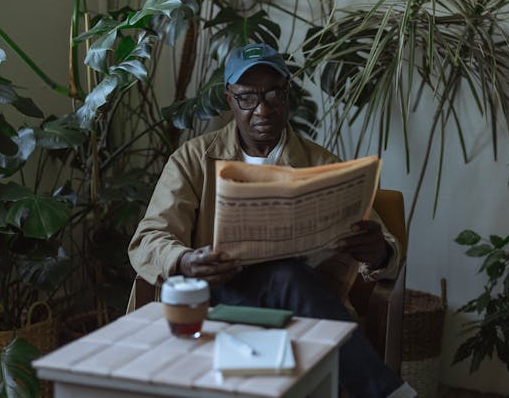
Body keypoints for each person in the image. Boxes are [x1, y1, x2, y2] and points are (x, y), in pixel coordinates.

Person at [128, 42, 415, 398]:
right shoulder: (193, 159)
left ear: (288, 94)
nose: (262, 109)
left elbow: (388, 249)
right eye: (248, 97)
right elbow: (149, 238)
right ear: (230, 99)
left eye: (274, 94)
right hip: (216, 300)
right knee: (285, 276)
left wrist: (378, 252)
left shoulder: (321, 165)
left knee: (285, 276)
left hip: (300, 305)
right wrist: (186, 260)